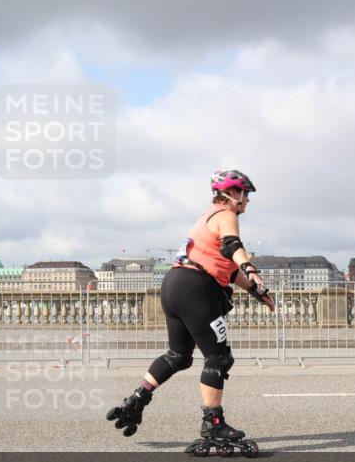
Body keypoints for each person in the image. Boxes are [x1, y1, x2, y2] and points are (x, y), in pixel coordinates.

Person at [106, 169, 275, 444]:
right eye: (245, 194)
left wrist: (257, 291)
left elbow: (227, 270)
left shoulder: (206, 217)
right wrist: (252, 269)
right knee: (218, 358)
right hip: (195, 288)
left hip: (175, 284)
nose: (248, 201)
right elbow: (233, 247)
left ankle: (137, 399)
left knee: (179, 356)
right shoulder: (225, 214)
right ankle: (213, 424)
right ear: (232, 193)